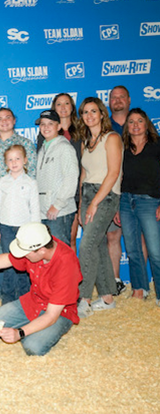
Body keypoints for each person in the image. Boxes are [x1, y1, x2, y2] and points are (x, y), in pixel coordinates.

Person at [0, 222, 82, 356]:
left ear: (42, 250)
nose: (22, 256)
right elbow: (9, 259)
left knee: (33, 346)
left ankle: (47, 328)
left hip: (59, 312)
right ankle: (32, 324)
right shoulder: (37, 246)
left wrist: (20, 332)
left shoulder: (66, 264)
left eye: (25, 253)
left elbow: (51, 316)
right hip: (33, 301)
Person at [0, 107, 37, 299]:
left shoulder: (26, 144)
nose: (4, 121)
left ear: (14, 120)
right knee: (2, 251)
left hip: (22, 201)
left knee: (23, 255)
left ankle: (24, 295)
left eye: (7, 118)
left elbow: (33, 177)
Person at [76, 97, 123, 318]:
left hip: (105, 196)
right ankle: (107, 298)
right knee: (98, 245)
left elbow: (113, 173)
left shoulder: (112, 138)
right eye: (85, 112)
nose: (89, 116)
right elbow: (84, 174)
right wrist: (80, 205)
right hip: (87, 194)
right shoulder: (87, 140)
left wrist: (94, 203)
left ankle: (83, 298)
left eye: (93, 111)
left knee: (86, 246)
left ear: (102, 113)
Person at [116, 108, 160, 306]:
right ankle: (139, 289)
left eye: (139, 121)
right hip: (126, 201)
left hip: (150, 202)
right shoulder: (123, 148)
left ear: (146, 124)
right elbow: (119, 177)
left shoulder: (157, 146)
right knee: (133, 250)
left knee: (155, 251)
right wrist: (117, 205)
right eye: (131, 121)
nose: (135, 125)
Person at [0, 145, 40, 305]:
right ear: (5, 163)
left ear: (25, 160)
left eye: (17, 158)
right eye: (10, 159)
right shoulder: (1, 182)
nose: (14, 162)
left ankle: (26, 299)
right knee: (10, 263)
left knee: (25, 264)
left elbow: (35, 209)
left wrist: (35, 233)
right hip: (5, 228)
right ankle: (8, 299)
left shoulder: (31, 183)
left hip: (24, 230)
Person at [35, 109, 79, 245]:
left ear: (58, 127)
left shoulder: (65, 148)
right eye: (42, 124)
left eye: (50, 124)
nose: (46, 127)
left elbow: (71, 179)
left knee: (60, 253)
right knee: (49, 254)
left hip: (59, 211)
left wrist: (58, 205)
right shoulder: (42, 149)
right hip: (44, 211)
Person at [51, 93, 83, 251]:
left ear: (72, 107)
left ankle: (72, 276)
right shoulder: (47, 132)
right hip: (54, 195)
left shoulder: (82, 131)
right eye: (59, 104)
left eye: (67, 104)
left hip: (76, 193)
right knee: (57, 241)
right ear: (54, 108)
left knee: (71, 238)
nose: (63, 108)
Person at [108, 86, 131, 295]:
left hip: (137, 188)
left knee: (139, 237)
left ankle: (140, 284)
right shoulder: (106, 126)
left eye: (121, 97)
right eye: (113, 97)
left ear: (129, 100)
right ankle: (115, 280)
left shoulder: (139, 123)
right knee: (113, 236)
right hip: (114, 188)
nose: (117, 100)